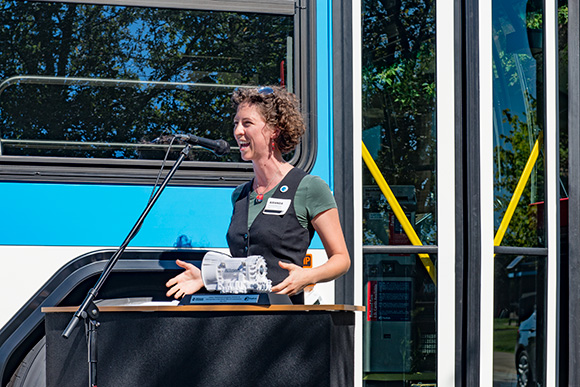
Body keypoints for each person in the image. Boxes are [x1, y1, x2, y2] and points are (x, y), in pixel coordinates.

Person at [166, 86, 350, 303]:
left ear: (275, 130)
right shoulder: (240, 195)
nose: (237, 132)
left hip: (282, 319)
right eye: (236, 123)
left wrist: (308, 276)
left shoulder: (308, 188)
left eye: (247, 123)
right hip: (240, 317)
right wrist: (207, 277)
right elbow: (246, 267)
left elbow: (341, 259)